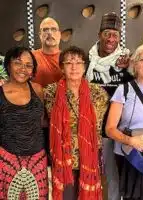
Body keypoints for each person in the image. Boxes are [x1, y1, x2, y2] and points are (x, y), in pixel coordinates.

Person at [44, 46, 109, 200]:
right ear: (62, 67)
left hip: (90, 158)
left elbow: (99, 126)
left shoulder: (98, 93)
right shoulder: (50, 92)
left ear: (85, 66)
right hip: (64, 160)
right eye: (68, 63)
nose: (74, 67)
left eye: (79, 63)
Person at [106, 44, 143, 200]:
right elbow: (110, 129)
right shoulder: (123, 90)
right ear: (134, 64)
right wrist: (130, 140)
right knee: (131, 196)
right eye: (142, 60)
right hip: (130, 154)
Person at [86, 12, 132, 200]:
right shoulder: (88, 61)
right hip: (90, 129)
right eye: (107, 34)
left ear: (119, 38)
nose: (110, 39)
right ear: (99, 35)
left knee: (115, 176)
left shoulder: (126, 61)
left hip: (117, 129)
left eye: (115, 35)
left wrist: (130, 67)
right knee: (91, 175)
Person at [0, 46, 48, 199]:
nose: (23, 69)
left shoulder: (38, 90)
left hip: (37, 159)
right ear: (8, 65)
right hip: (7, 158)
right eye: (18, 63)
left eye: (28, 65)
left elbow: (41, 122)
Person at [32, 17, 63, 87]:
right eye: (45, 30)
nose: (50, 33)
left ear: (59, 34)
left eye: (54, 29)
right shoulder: (30, 57)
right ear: (40, 35)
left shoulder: (68, 58)